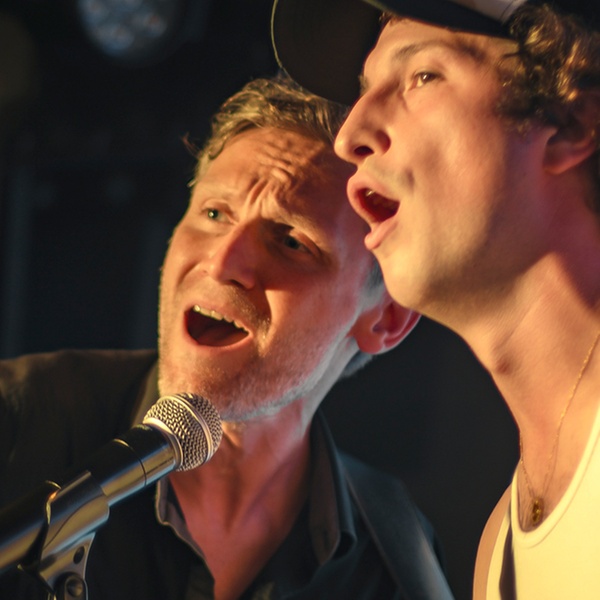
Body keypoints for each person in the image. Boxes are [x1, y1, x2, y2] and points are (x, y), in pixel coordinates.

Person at [0, 75, 452, 599]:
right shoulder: (17, 423)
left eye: (291, 242)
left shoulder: (395, 563)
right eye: (214, 213)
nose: (221, 262)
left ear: (385, 320)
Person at [271, 0, 600, 598]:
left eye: (423, 75)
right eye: (364, 91)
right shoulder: (501, 546)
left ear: (570, 123)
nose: (349, 136)